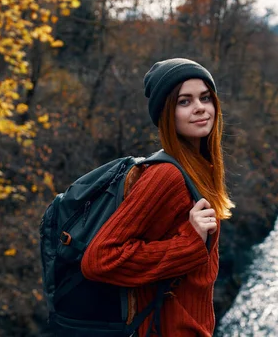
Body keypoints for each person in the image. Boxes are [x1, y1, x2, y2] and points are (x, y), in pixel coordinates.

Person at [81, 58, 234, 336]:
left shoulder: (200, 168)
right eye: (184, 101)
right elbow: (100, 259)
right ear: (166, 114)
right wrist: (189, 244)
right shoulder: (167, 176)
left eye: (205, 98)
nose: (200, 107)